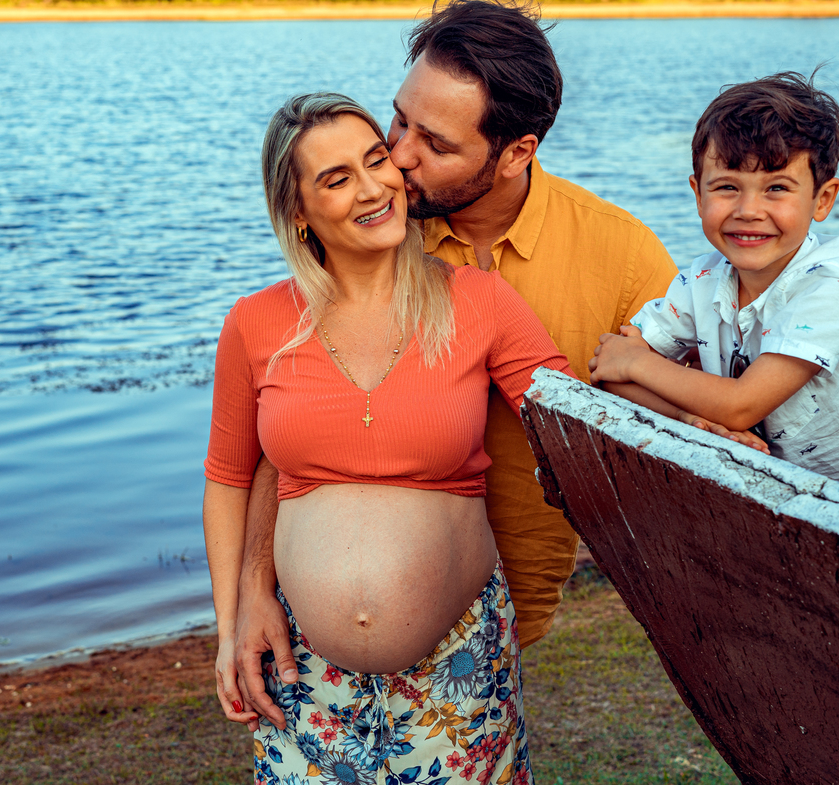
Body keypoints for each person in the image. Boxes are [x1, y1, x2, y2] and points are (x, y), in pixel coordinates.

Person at [228, 0, 680, 734]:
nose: (397, 157)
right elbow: (290, 427)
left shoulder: (623, 259)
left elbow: (657, 428)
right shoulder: (369, 233)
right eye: (398, 120)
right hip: (320, 638)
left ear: (514, 153)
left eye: (432, 141)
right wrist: (250, 588)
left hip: (497, 612)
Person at [204, 92, 574, 785]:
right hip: (300, 666)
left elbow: (571, 423)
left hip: (458, 664)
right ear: (297, 212)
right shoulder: (256, 324)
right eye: (337, 178)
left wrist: (698, 407)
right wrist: (235, 618)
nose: (374, 188)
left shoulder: (480, 301)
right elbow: (229, 478)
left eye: (377, 161)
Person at [589, 71, 839, 532]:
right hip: (838, 519)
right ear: (697, 194)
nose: (749, 209)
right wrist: (690, 417)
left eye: (777, 188)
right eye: (727, 186)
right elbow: (609, 377)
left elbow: (738, 406)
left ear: (823, 198)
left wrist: (637, 364)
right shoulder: (702, 280)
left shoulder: (830, 289)